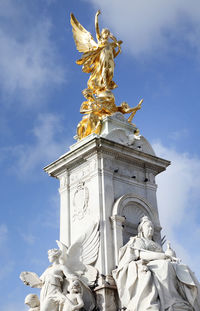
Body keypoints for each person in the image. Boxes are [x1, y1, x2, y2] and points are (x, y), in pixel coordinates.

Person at [113, 216, 200, 311]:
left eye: (152, 227)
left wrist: (170, 254)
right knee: (164, 266)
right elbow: (141, 254)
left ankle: (187, 299)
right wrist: (162, 256)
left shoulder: (156, 244)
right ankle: (169, 300)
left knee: (184, 268)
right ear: (142, 229)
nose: (151, 229)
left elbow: (165, 256)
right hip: (150, 263)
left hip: (160, 262)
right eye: (148, 227)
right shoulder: (138, 240)